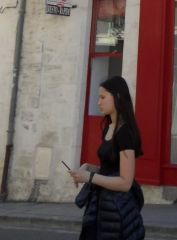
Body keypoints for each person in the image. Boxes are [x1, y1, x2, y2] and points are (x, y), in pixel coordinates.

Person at [69, 76, 145, 240]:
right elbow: (110, 169)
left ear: (117, 97)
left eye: (103, 97)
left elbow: (125, 182)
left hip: (116, 210)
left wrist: (90, 177)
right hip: (99, 205)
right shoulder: (108, 128)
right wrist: (88, 168)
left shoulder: (125, 133)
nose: (99, 102)